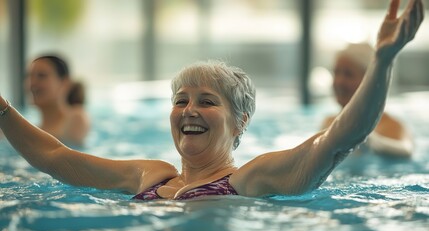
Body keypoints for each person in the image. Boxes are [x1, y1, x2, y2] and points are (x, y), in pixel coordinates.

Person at [0, 0, 423, 200]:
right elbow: (54, 156)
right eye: (181, 100)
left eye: (207, 101)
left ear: (241, 122)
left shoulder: (252, 180)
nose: (189, 110)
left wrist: (382, 61)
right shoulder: (150, 175)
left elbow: (336, 140)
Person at [321, 43, 414, 158]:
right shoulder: (328, 123)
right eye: (336, 73)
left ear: (370, 82)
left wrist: (370, 141)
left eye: (348, 74)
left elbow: (406, 151)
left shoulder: (392, 126)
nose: (339, 82)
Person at [25, 55, 90, 147]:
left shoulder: (76, 117)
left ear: (65, 82)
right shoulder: (33, 129)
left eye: (42, 76)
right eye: (29, 76)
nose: (32, 83)